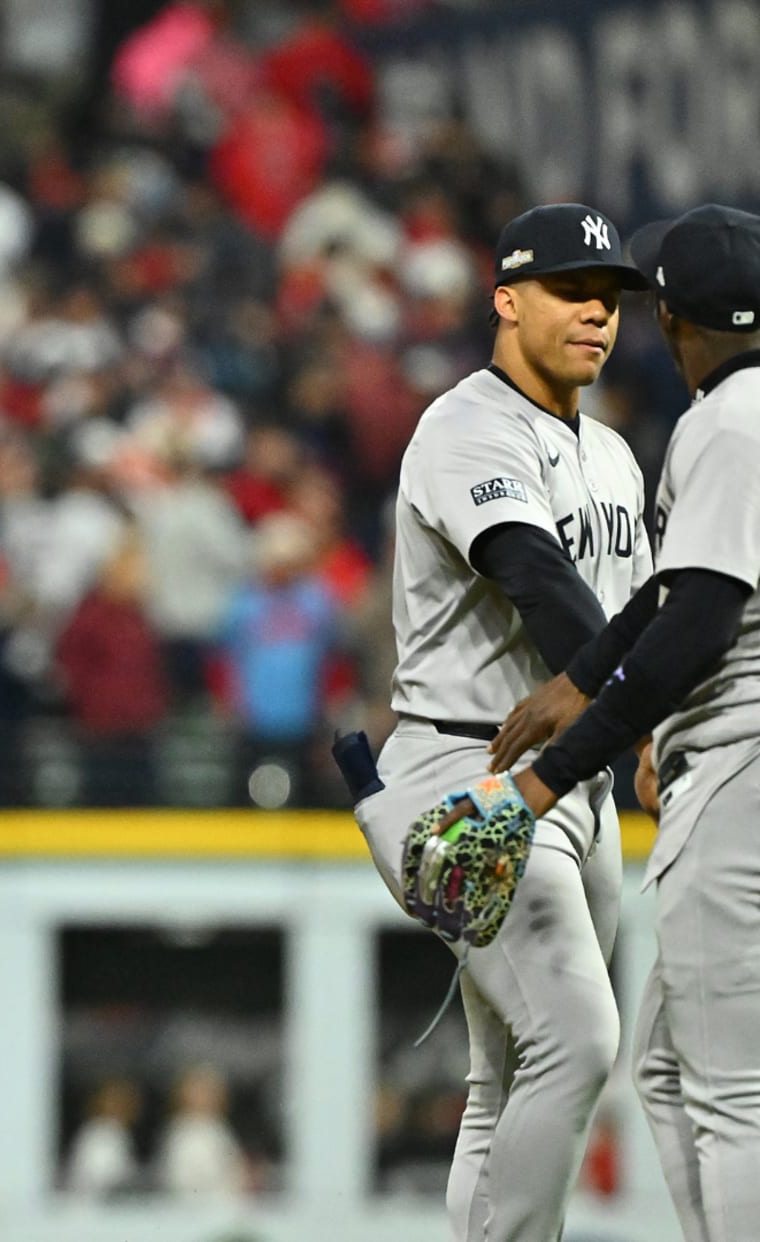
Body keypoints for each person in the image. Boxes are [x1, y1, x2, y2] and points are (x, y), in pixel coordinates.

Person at [347, 204, 652, 1242]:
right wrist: (621, 689)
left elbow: (644, 617)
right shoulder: (463, 425)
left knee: (510, 1071)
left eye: (610, 300)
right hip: (465, 764)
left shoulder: (612, 454)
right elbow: (535, 575)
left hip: (580, 782)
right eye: (573, 292)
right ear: (507, 299)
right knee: (576, 1035)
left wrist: (646, 713)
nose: (597, 316)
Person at [484, 204, 760, 1242]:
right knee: (665, 1068)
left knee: (733, 1093)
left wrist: (556, 773)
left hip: (741, 765)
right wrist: (584, 676)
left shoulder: (731, 419)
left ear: (675, 323)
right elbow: (679, 590)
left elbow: (696, 622)